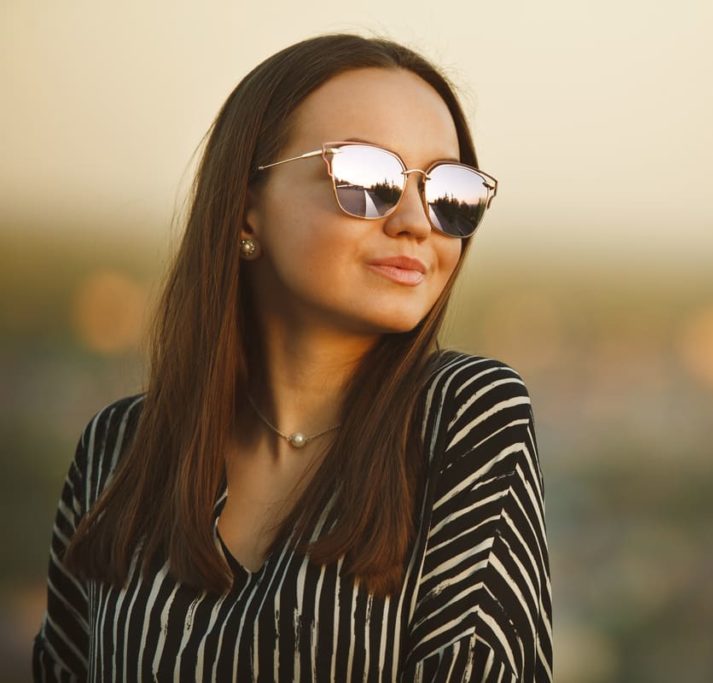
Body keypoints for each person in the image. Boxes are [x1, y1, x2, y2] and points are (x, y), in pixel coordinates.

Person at [31, 33, 552, 682]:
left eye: (451, 191)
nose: (418, 221)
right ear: (247, 211)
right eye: (367, 178)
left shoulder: (465, 415)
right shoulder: (117, 450)